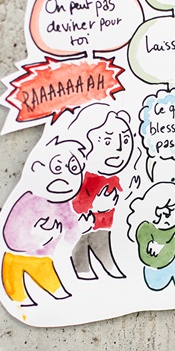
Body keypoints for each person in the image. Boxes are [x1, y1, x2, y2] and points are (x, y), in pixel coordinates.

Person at [1, 137, 93, 306]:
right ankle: (22, 299)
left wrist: (82, 227)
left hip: (43, 258)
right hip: (16, 257)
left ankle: (59, 298)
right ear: (37, 168)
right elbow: (10, 235)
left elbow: (71, 232)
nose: (66, 177)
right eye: (57, 168)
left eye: (74, 169)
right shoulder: (28, 202)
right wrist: (38, 236)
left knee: (54, 286)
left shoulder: (64, 206)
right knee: (17, 291)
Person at [69, 106, 134, 280]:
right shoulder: (82, 178)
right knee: (84, 253)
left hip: (108, 229)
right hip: (86, 229)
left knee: (104, 251)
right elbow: (74, 206)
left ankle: (105, 271)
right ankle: (84, 274)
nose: (119, 148)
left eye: (125, 140)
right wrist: (96, 207)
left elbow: (124, 199)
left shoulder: (116, 177)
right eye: (107, 141)